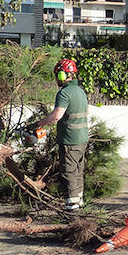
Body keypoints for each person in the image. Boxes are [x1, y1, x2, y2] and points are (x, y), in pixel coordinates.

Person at [34, 58, 89, 211]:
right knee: (78, 171)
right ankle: (79, 202)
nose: (57, 78)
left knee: (69, 173)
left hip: (69, 140)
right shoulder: (81, 91)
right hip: (82, 139)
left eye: (58, 75)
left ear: (64, 76)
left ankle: (72, 209)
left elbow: (56, 116)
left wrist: (39, 124)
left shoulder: (64, 93)